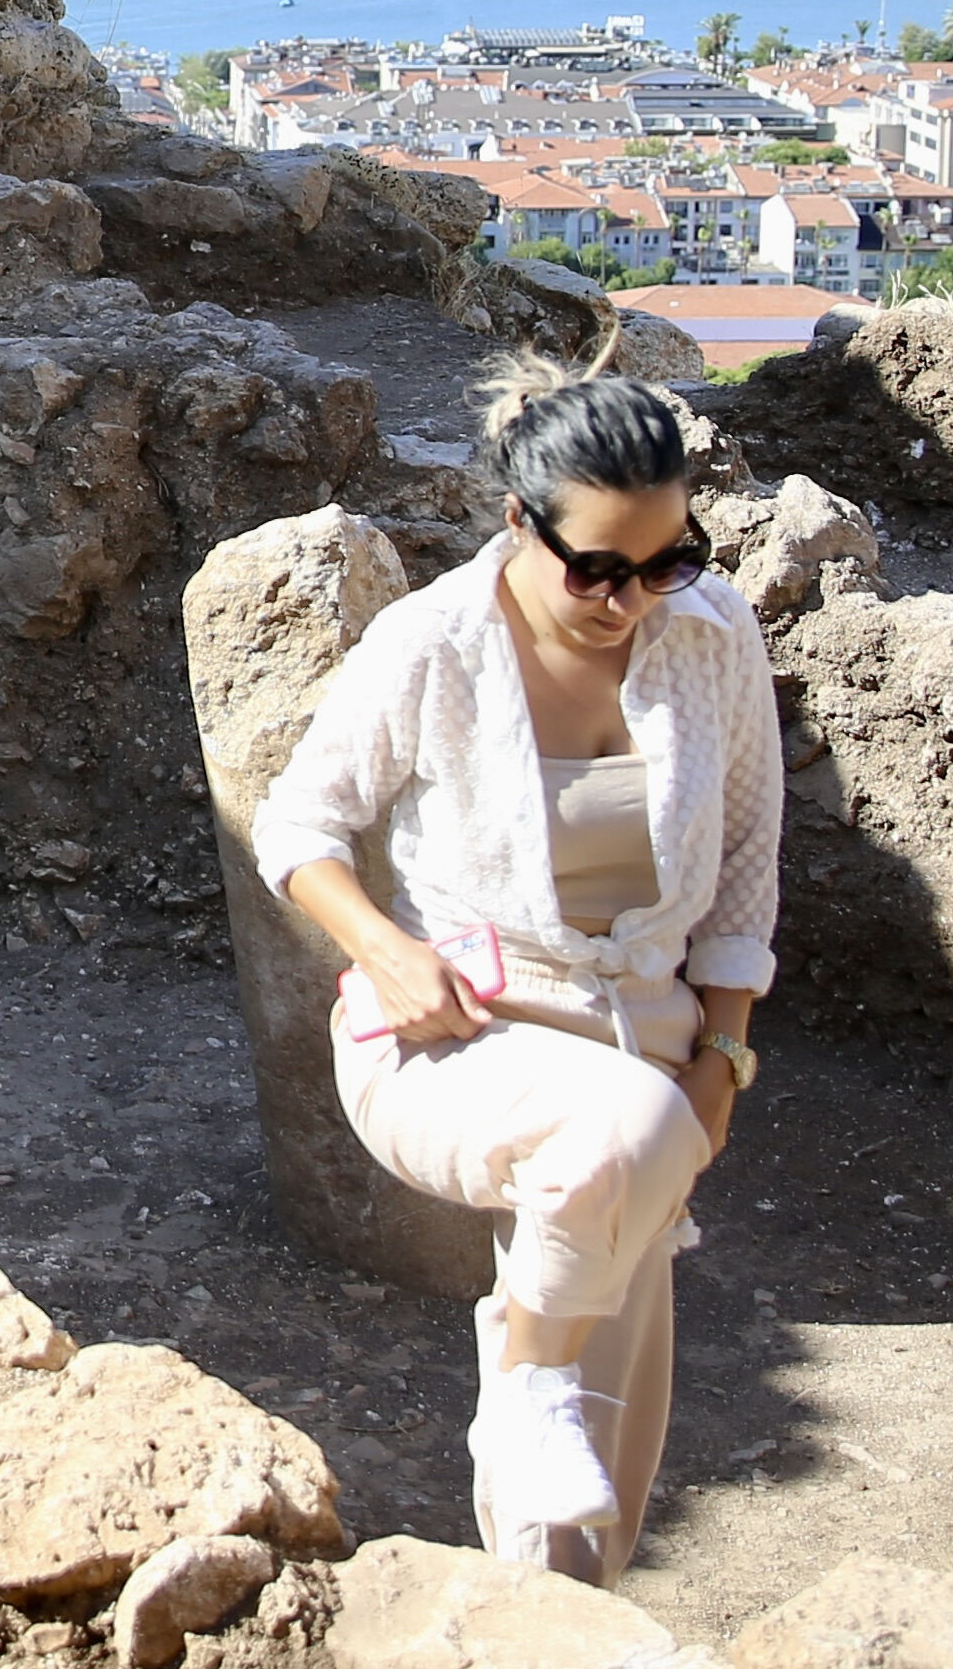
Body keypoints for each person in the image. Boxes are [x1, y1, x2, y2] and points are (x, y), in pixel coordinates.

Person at [246, 361, 778, 1582]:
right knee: (581, 1282)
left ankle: (556, 1632)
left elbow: (745, 857)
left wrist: (725, 1055)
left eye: (662, 562)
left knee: (614, 1418)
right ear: (515, 524)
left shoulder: (709, 636)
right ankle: (522, 1382)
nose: (626, 599)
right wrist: (385, 949)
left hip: (641, 1035)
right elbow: (298, 829)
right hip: (453, 1035)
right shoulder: (433, 642)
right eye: (594, 567)